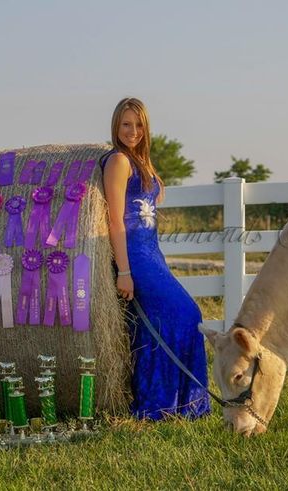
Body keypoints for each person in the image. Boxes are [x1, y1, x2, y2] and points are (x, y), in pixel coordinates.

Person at [100, 97, 211, 420]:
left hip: (152, 252)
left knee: (158, 326)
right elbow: (115, 220)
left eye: (138, 125)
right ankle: (161, 403)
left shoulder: (140, 161)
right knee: (186, 313)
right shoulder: (119, 161)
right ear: (115, 126)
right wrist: (124, 270)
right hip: (134, 255)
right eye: (126, 124)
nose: (133, 131)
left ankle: (173, 405)